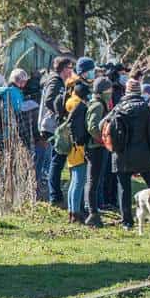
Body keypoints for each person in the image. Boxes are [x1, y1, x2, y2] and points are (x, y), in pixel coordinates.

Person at [110, 73, 150, 231]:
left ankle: (127, 221)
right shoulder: (144, 108)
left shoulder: (118, 107)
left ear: (126, 91)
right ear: (139, 92)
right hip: (142, 153)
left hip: (121, 153)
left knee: (124, 189)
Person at [40, 56, 74, 206]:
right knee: (57, 161)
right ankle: (55, 196)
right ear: (63, 68)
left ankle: (56, 194)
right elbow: (49, 100)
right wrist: (60, 113)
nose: (71, 71)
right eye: (69, 68)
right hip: (51, 125)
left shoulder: (60, 82)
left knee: (57, 160)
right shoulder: (54, 81)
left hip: (54, 125)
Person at [84, 76, 113, 227]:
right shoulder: (98, 105)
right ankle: (92, 213)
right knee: (93, 181)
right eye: (108, 89)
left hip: (97, 148)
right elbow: (92, 127)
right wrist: (102, 140)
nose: (111, 91)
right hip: (96, 148)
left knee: (95, 180)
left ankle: (92, 211)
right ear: (102, 91)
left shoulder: (99, 103)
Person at [63, 81, 91, 225]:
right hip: (78, 148)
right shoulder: (80, 107)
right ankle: (76, 214)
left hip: (70, 148)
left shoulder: (69, 102)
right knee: (79, 182)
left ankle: (71, 211)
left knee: (74, 181)